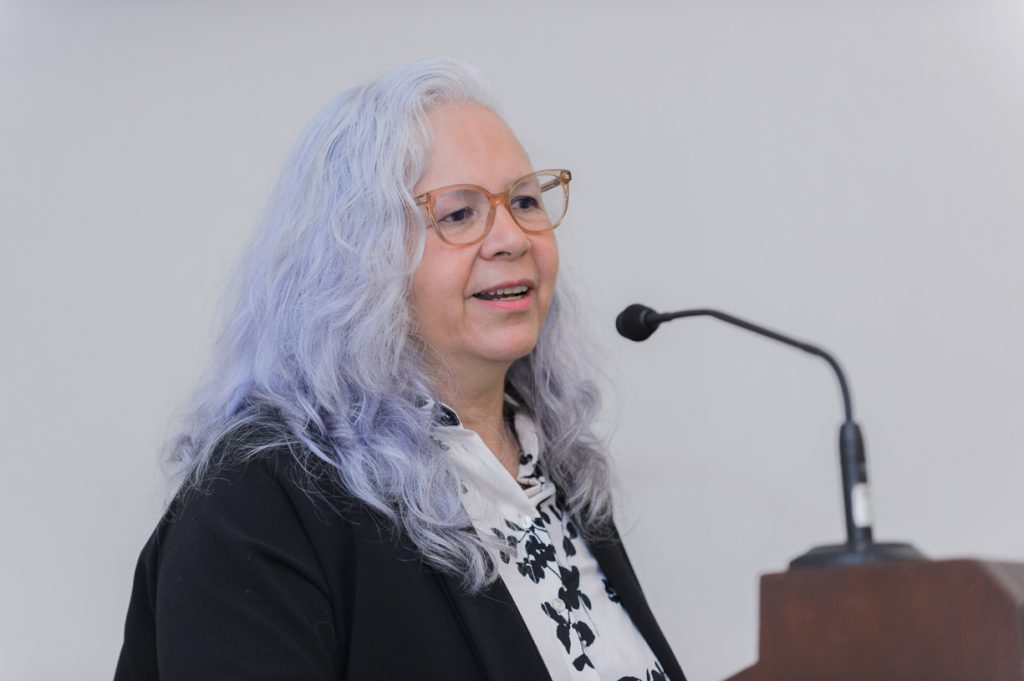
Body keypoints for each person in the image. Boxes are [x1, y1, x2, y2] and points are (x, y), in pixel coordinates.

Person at [115, 58, 686, 681]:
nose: (513, 237)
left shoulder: (554, 463)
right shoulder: (257, 504)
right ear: (359, 259)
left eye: (525, 200)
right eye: (459, 213)